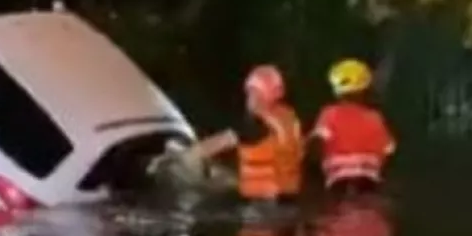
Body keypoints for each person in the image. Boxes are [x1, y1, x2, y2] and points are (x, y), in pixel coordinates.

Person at [157, 64, 303, 203]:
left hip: (260, 205)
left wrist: (171, 160)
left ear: (259, 94)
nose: (249, 99)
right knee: (224, 176)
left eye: (252, 92)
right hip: (287, 199)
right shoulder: (288, 118)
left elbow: (204, 150)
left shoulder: (254, 125)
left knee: (190, 176)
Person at [308, 59, 395, 193]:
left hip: (338, 179)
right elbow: (388, 150)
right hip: (368, 180)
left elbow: (317, 144)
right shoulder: (375, 117)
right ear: (366, 89)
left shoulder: (329, 114)